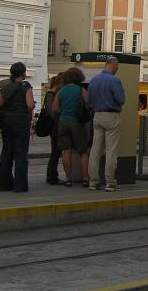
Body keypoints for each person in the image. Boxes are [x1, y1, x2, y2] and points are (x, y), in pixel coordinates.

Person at [87, 57, 125, 191]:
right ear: (113, 65)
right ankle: (110, 182)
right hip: (111, 116)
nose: (117, 69)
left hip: (97, 116)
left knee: (95, 150)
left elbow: (89, 101)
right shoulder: (114, 80)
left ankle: (93, 181)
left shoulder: (94, 80)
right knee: (111, 150)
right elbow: (121, 99)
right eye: (117, 66)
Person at [0, 62, 35, 192]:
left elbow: (0, 105)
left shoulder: (5, 87)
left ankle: (4, 184)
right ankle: (20, 185)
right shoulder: (26, 87)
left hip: (7, 121)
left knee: (6, 152)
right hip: (21, 121)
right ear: (23, 73)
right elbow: (30, 105)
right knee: (21, 153)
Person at [52, 68, 90, 187]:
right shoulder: (80, 90)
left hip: (63, 122)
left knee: (66, 151)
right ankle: (85, 178)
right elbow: (89, 104)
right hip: (77, 122)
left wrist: (63, 110)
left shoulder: (61, 91)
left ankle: (68, 179)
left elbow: (54, 109)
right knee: (83, 151)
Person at [41, 74, 64, 184]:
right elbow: (51, 111)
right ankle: (51, 176)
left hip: (55, 125)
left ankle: (52, 175)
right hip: (54, 125)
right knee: (55, 152)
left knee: (56, 151)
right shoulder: (51, 94)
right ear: (59, 83)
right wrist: (61, 110)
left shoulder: (52, 94)